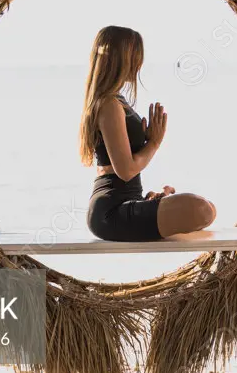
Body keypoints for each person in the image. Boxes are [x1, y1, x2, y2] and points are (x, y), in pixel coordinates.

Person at [80, 25, 216, 241]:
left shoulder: (116, 100)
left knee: (208, 208)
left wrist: (148, 202)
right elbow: (125, 171)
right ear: (120, 59)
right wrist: (154, 142)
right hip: (110, 212)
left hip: (126, 202)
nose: (139, 63)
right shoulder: (108, 104)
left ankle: (151, 202)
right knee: (201, 210)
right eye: (135, 56)